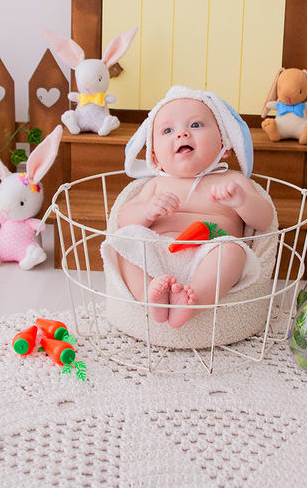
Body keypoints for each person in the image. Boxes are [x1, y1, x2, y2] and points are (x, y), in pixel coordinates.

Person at [107, 86, 275, 328]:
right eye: (167, 130)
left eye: (196, 125)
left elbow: (265, 220)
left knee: (232, 251)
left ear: (224, 145)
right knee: (127, 240)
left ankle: (191, 302)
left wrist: (241, 201)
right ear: (154, 158)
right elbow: (124, 220)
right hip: (158, 255)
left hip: (208, 254)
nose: (182, 134)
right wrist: (146, 211)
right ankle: (150, 296)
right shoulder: (156, 184)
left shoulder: (234, 182)